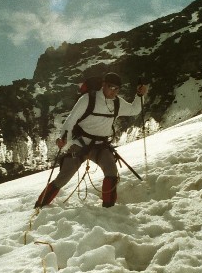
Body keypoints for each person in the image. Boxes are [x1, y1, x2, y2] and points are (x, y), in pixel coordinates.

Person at [35, 72, 148, 208]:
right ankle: (40, 205)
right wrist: (63, 138)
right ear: (103, 85)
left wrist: (140, 95)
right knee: (63, 178)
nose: (114, 92)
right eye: (111, 87)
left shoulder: (117, 103)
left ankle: (109, 207)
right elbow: (71, 120)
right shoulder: (87, 99)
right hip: (80, 144)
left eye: (117, 89)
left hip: (101, 145)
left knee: (111, 172)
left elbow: (134, 110)